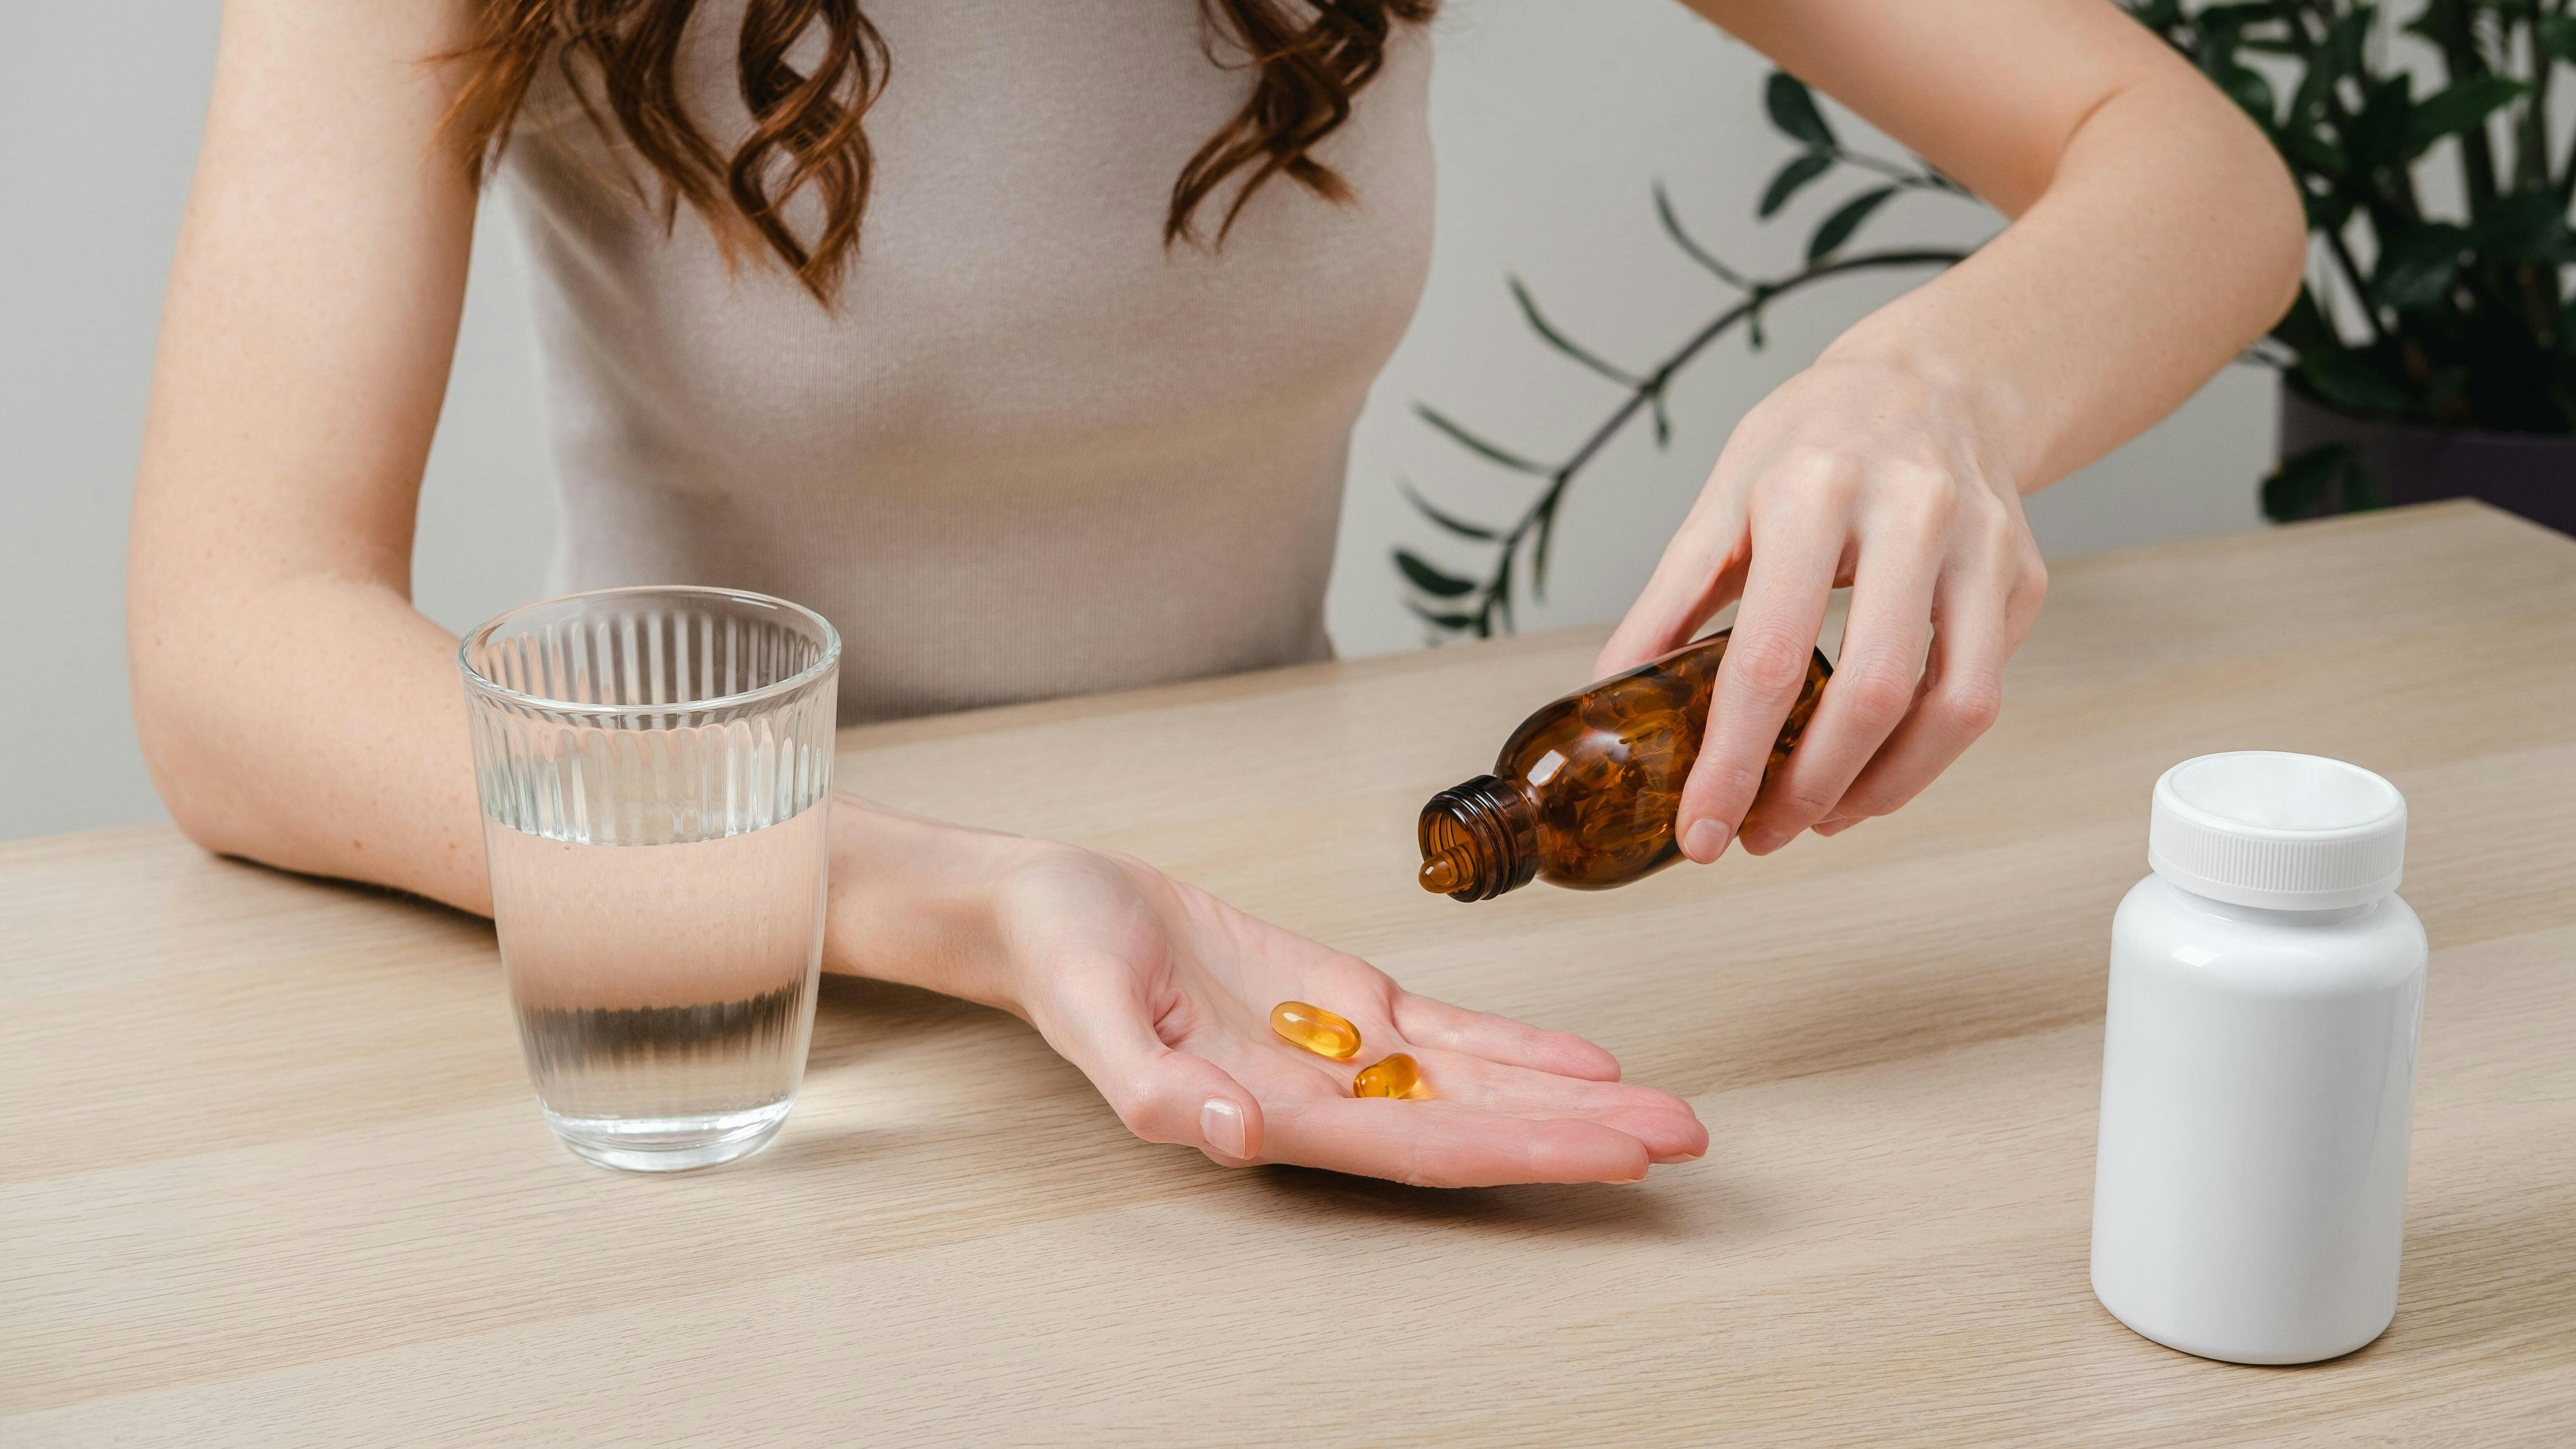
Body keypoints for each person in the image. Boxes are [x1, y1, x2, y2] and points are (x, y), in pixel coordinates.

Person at [128, 0, 2304, 1187]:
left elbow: (2193, 169)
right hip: (711, 990)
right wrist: (969, 903)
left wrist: (1934, 385)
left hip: (1277, 914)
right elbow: (233, 648)